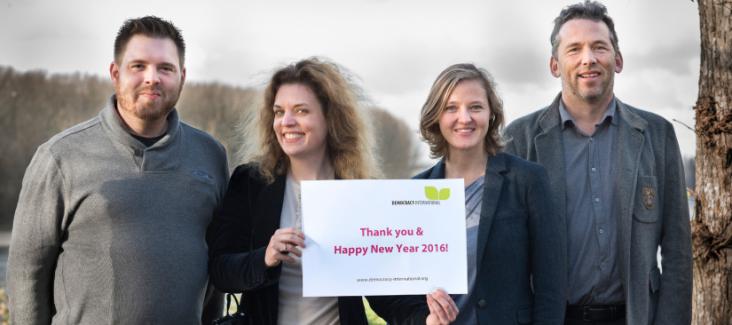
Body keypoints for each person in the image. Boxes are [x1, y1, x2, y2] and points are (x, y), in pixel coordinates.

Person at [6, 16, 228, 324]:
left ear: (182, 76)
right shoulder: (59, 157)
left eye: (166, 68)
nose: (153, 78)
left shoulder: (210, 156)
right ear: (115, 73)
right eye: (138, 66)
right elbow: (27, 271)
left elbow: (216, 263)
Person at [207, 58, 456, 325]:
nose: (286, 121)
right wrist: (264, 258)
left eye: (301, 111)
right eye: (279, 112)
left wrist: (425, 319)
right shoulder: (251, 182)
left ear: (331, 118)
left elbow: (384, 291)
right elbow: (221, 271)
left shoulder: (360, 193)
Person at [503, 1, 693, 324]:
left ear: (617, 60)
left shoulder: (657, 135)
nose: (588, 59)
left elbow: (677, 252)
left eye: (599, 47)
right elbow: (505, 255)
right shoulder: (518, 140)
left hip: (635, 317)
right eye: (574, 49)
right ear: (554, 65)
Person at [413, 63, 566, 324]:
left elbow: (550, 285)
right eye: (451, 108)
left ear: (491, 114)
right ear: (436, 117)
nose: (465, 118)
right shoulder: (413, 194)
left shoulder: (527, 180)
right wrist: (423, 321)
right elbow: (396, 293)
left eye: (475, 107)